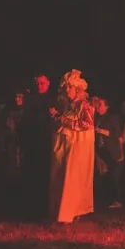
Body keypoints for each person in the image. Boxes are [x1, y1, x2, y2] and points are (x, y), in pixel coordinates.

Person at [50, 70, 96, 224]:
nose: (66, 91)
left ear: (77, 89)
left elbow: (87, 124)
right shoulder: (70, 106)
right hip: (67, 146)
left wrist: (63, 120)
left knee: (73, 178)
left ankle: (73, 211)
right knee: (62, 176)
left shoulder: (84, 105)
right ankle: (62, 211)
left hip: (77, 148)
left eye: (69, 88)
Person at [21, 74, 56, 220]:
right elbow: (28, 121)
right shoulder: (30, 100)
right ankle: (32, 209)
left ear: (48, 83)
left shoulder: (53, 99)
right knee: (33, 176)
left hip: (47, 143)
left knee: (45, 176)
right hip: (33, 143)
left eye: (42, 83)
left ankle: (44, 209)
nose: (39, 86)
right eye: (37, 84)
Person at [94, 97, 124, 208]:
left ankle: (117, 200)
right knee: (104, 176)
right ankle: (107, 200)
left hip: (112, 152)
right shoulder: (96, 119)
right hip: (101, 152)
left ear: (106, 107)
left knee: (113, 176)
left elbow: (118, 135)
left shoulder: (112, 119)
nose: (98, 107)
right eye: (97, 105)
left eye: (100, 105)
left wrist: (121, 154)